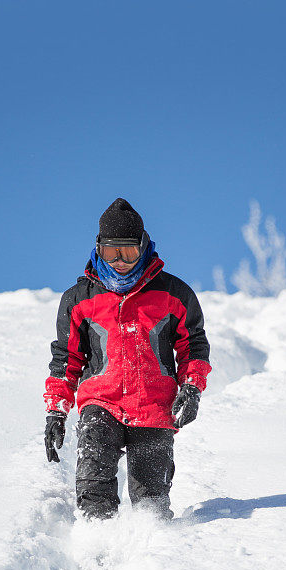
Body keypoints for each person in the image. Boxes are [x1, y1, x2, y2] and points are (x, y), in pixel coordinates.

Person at [43, 198, 212, 521]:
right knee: (93, 485)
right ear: (98, 248)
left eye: (128, 252)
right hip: (100, 404)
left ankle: (150, 556)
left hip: (154, 407)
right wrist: (56, 411)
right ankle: (98, 548)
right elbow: (67, 359)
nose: (120, 262)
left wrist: (191, 388)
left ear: (143, 247)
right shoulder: (80, 300)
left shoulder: (174, 295)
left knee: (151, 502)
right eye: (111, 252)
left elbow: (194, 347)